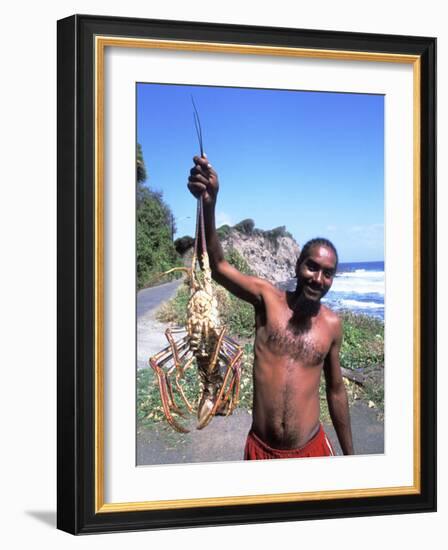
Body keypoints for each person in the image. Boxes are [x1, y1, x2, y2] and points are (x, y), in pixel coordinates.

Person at [187, 155, 354, 459]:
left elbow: (336, 390)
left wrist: (351, 458)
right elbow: (220, 265)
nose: (318, 279)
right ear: (297, 265)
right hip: (261, 450)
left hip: (312, 450)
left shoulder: (332, 325)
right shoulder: (266, 298)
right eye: (311, 267)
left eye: (327, 273)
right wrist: (209, 204)